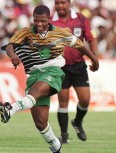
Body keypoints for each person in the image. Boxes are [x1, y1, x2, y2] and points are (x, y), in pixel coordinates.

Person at [0, 5, 99, 153]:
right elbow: (10, 46)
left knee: (35, 94)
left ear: (48, 19)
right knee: (40, 123)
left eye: (42, 21)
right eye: (36, 20)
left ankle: (10, 110)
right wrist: (13, 56)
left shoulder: (61, 33)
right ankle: (56, 147)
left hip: (53, 71)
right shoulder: (25, 32)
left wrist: (94, 59)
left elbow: (80, 46)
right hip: (34, 75)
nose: (39, 24)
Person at [50, 0, 98, 143]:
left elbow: (91, 38)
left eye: (63, 2)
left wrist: (94, 57)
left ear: (69, 3)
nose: (60, 6)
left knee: (85, 100)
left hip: (78, 66)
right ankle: (64, 137)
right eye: (57, 3)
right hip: (60, 67)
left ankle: (77, 122)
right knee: (63, 101)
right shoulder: (50, 20)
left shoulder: (81, 18)